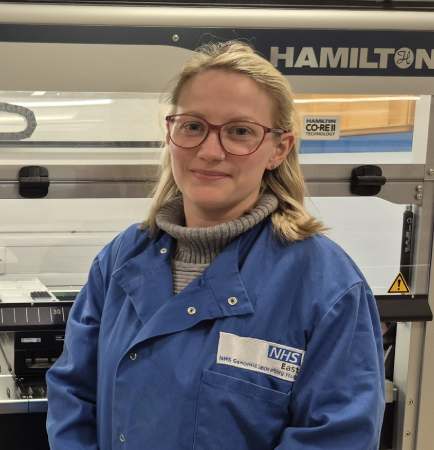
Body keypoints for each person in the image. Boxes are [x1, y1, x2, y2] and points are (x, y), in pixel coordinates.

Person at [45, 41, 385, 450]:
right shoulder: (120, 259)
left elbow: (335, 438)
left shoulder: (327, 287)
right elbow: (72, 393)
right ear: (170, 134)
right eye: (193, 126)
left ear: (278, 149)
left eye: (239, 132)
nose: (209, 151)